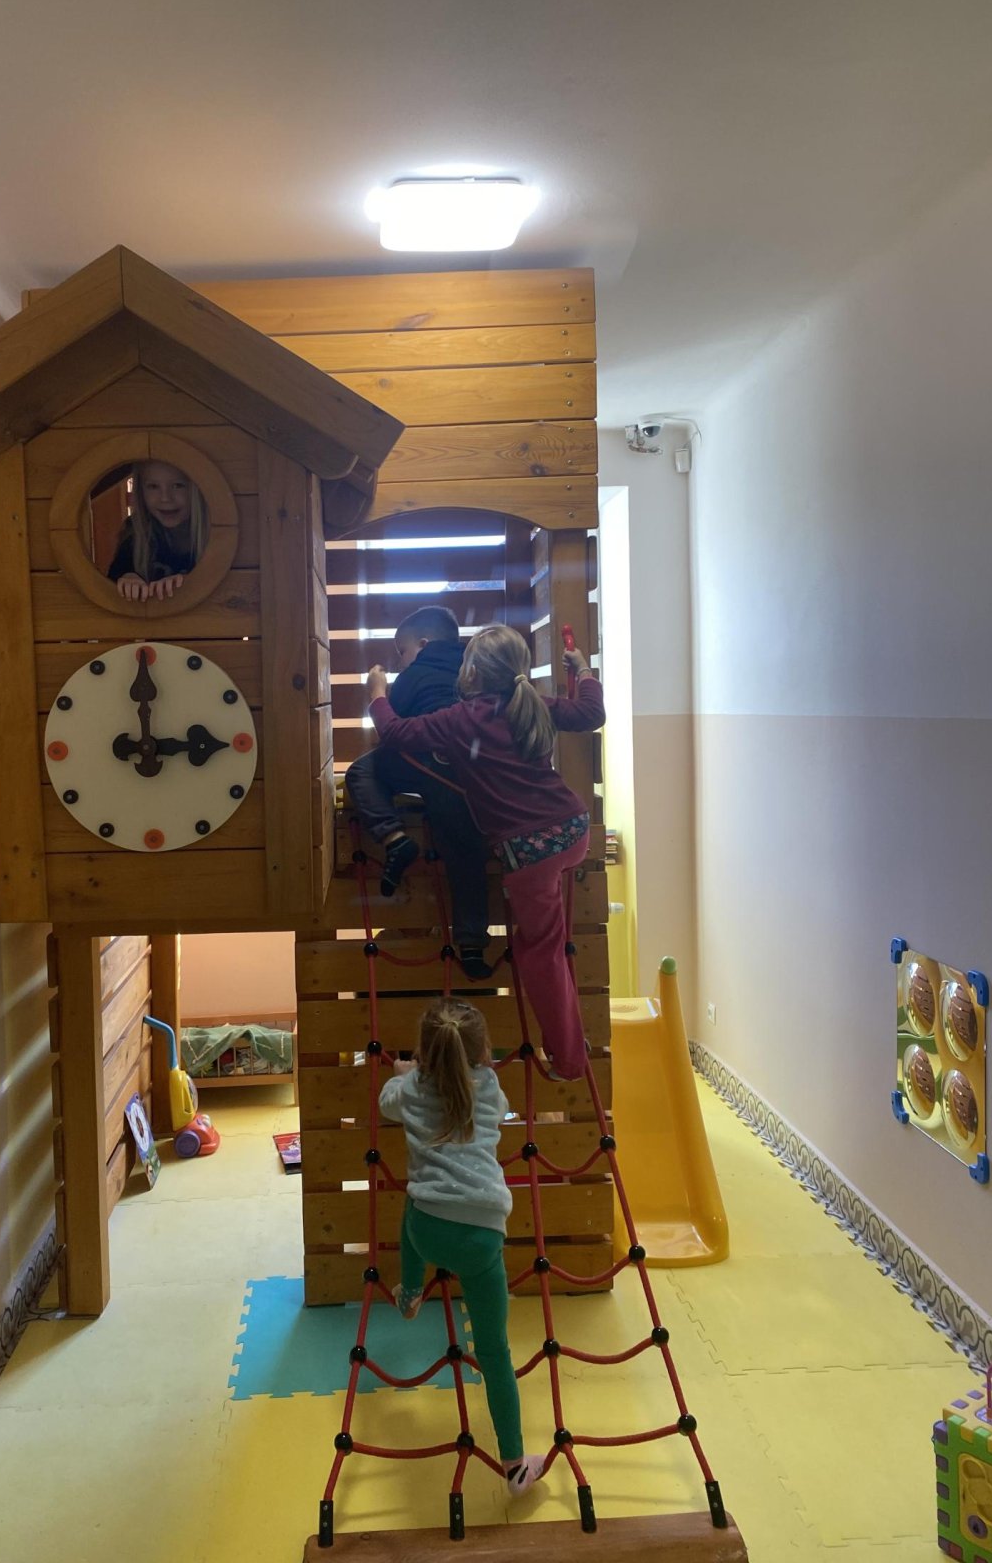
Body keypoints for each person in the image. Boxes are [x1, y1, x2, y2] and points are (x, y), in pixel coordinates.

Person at [366, 624, 604, 1081]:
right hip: (572, 830)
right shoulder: (531, 703)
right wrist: (584, 670)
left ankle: (570, 1059)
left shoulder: (463, 719)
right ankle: (571, 1038)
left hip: (531, 851)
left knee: (541, 955)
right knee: (547, 945)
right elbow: (591, 712)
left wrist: (377, 692)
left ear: (471, 672)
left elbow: (395, 732)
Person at [379, 997, 548, 1497]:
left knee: (414, 1201)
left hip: (427, 1228)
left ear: (423, 1054)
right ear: (483, 1053)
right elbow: (489, 1099)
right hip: (482, 1235)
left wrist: (401, 1073)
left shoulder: (410, 1087)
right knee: (494, 1351)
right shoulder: (490, 1087)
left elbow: (387, 1102)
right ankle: (515, 1465)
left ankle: (411, 1292)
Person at [345, 606, 493, 979]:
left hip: (424, 763)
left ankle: (394, 838)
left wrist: (378, 691)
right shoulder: (478, 672)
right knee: (466, 857)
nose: (401, 660)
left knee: (362, 770)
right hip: (470, 777)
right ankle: (473, 947)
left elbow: (391, 727)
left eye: (402, 651)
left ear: (424, 645)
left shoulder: (416, 673)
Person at [106, 459, 208, 601]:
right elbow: (114, 580)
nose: (165, 498)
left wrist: (188, 584)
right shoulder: (136, 531)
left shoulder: (217, 531)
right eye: (153, 486)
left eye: (178, 486)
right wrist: (127, 579)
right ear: (141, 491)